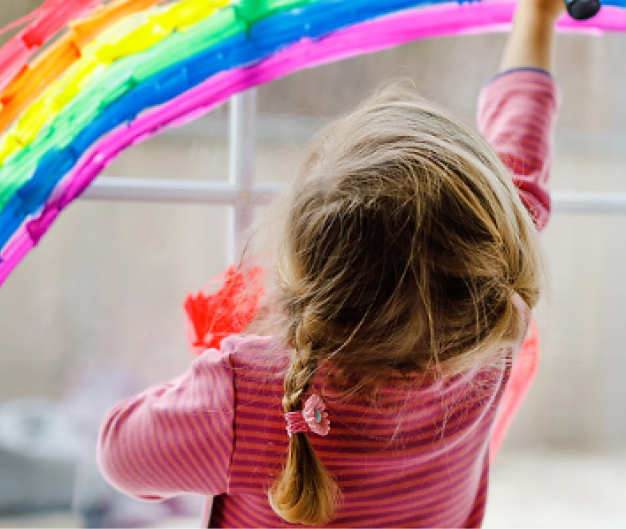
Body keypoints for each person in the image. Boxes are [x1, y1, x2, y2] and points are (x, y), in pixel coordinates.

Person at [98, 0, 564, 525]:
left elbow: (121, 454)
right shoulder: (492, 312)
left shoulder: (249, 394)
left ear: (304, 271)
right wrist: (537, 19)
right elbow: (519, 161)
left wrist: (212, 378)